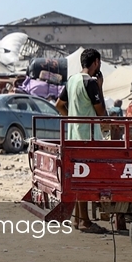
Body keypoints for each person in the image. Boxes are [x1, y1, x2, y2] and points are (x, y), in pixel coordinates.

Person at [56, 48, 108, 233]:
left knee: (78, 179)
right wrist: (100, 87)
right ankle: (85, 221)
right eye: (99, 63)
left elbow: (59, 105)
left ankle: (78, 220)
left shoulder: (72, 80)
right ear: (95, 62)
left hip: (74, 135)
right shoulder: (90, 82)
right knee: (85, 181)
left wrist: (72, 118)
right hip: (88, 137)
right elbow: (101, 113)